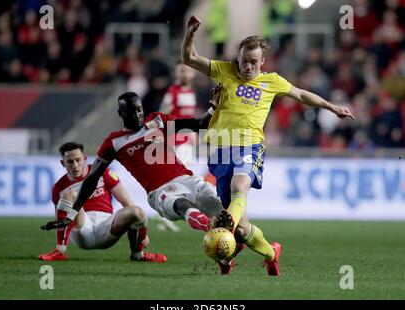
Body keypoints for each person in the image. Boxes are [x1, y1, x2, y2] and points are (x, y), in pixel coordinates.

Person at [181, 14, 355, 276]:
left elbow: (302, 94)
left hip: (250, 145)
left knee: (239, 187)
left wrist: (332, 107)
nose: (247, 67)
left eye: (253, 62)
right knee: (241, 229)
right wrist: (191, 33)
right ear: (237, 60)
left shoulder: (272, 81)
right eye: (243, 62)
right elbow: (189, 58)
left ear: (262, 62)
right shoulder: (224, 71)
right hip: (219, 149)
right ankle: (271, 253)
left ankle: (225, 242)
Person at [41, 86, 226, 257]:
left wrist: (213, 108)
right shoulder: (114, 142)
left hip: (187, 179)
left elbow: (199, 124)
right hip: (160, 191)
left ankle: (227, 256)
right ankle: (207, 226)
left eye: (139, 109)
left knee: (225, 215)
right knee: (182, 204)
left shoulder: (158, 121)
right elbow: (91, 178)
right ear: (121, 113)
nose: (137, 114)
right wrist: (72, 214)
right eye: (131, 110)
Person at [39, 141, 167, 263]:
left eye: (78, 160)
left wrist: (142, 232)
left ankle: (138, 255)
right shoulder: (59, 187)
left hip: (106, 227)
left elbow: (127, 203)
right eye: (70, 162)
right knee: (70, 194)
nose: (75, 165)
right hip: (81, 230)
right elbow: (60, 219)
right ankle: (60, 250)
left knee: (137, 212)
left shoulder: (102, 173)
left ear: (84, 158)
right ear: (63, 163)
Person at [154, 61, 198, 232]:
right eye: (181, 70)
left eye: (187, 70)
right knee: (179, 177)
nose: (185, 73)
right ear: (176, 73)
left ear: (193, 74)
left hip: (186, 140)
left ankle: (166, 212)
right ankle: (164, 212)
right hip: (176, 141)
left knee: (182, 177)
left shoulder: (190, 92)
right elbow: (163, 114)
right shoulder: (172, 92)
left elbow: (189, 116)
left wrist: (194, 135)